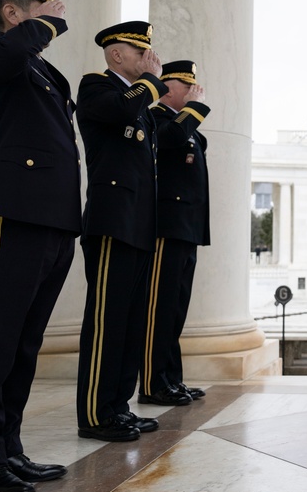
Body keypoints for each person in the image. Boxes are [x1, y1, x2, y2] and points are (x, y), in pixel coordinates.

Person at [0, 0, 79, 492]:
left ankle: (8, 447)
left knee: (25, 345)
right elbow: (6, 58)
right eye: (42, 4)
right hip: (13, 213)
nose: (55, 9)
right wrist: (46, 26)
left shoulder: (43, 69)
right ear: (14, 13)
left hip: (54, 219)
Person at [75, 22, 166, 442]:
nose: (148, 60)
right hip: (112, 222)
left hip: (139, 225)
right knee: (107, 321)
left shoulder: (139, 101)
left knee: (129, 323)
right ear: (116, 55)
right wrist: (150, 82)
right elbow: (119, 110)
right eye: (139, 52)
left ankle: (117, 407)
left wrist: (147, 86)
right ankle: (95, 413)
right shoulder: (96, 86)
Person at [139, 60, 211, 406]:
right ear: (167, 87)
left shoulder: (186, 127)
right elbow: (169, 141)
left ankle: (172, 380)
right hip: (166, 227)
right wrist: (195, 110)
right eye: (188, 85)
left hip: (186, 228)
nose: (194, 91)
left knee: (177, 309)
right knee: (160, 308)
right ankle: (153, 383)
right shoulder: (156, 118)